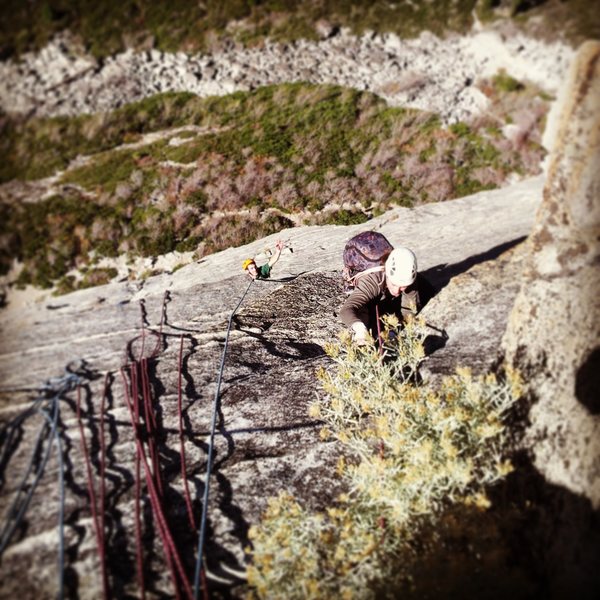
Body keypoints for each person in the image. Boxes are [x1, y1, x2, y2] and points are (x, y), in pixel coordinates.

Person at [340, 246, 423, 345]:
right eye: (394, 284)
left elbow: (409, 310)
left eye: (402, 287)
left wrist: (394, 330)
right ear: (387, 274)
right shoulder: (373, 281)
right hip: (370, 280)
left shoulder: (408, 278)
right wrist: (360, 328)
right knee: (364, 314)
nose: (397, 291)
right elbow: (347, 309)